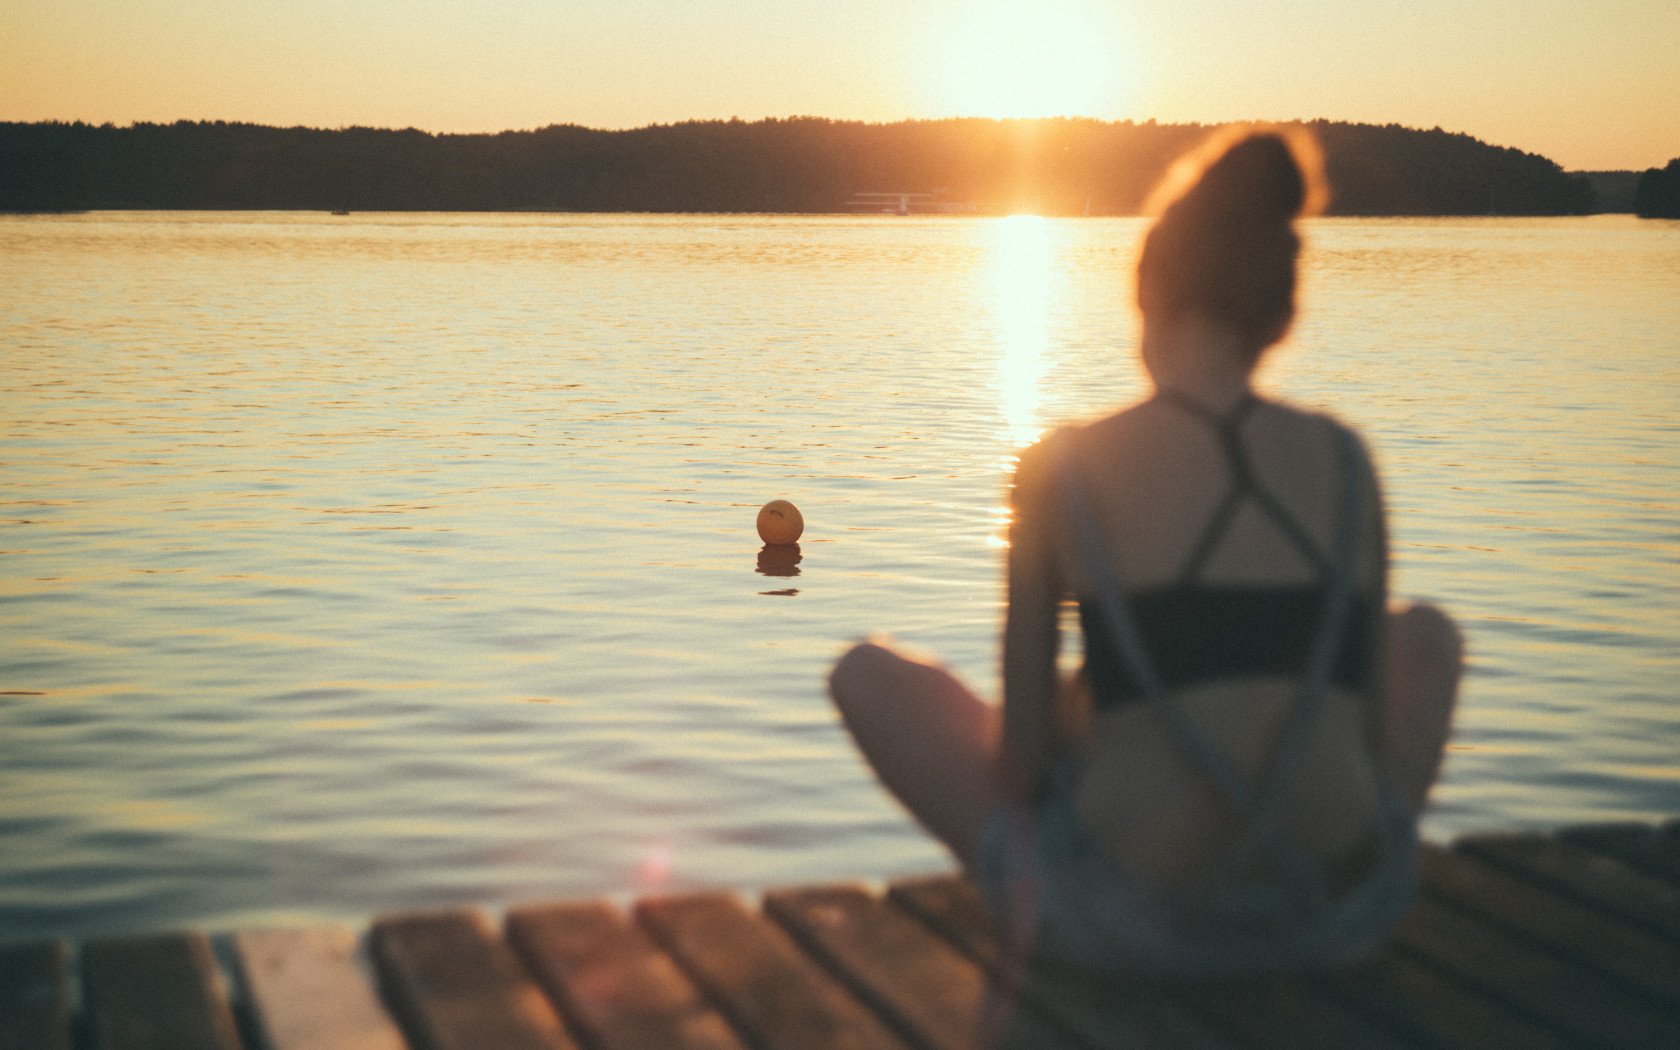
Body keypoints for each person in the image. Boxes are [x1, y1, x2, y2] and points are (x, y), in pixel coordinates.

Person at [829, 127, 1462, 976]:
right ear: (1280, 316)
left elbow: (1019, 772)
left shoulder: (1063, 469)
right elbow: (1371, 737)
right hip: (1335, 916)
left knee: (869, 675)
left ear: (1145, 295)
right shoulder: (1347, 460)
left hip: (1125, 925)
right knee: (1428, 635)